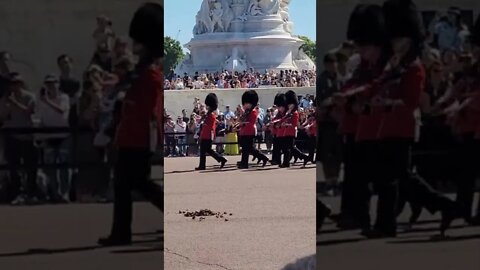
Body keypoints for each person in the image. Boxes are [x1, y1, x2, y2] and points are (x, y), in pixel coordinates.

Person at [98, 2, 164, 246]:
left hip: (138, 138)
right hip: (129, 136)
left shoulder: (150, 74)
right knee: (127, 185)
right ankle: (120, 233)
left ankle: (121, 233)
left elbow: (146, 109)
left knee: (137, 184)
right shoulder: (141, 70)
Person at [0, 72, 39, 204]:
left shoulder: (30, 97)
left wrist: (15, 102)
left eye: (17, 83)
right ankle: (16, 193)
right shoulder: (5, 99)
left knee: (30, 167)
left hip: (27, 136)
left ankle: (31, 193)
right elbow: (2, 117)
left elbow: (28, 112)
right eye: (12, 84)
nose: (15, 86)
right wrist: (7, 105)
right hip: (12, 136)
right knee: (13, 167)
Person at [37, 74, 71, 203]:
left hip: (63, 136)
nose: (50, 86)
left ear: (58, 84)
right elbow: (40, 117)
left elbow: (61, 110)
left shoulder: (64, 97)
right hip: (49, 136)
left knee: (64, 166)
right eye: (48, 83)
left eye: (53, 83)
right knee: (50, 167)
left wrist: (47, 101)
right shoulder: (41, 100)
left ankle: (65, 193)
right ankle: (55, 193)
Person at [237, 90, 269, 169]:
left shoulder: (253, 112)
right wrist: (241, 114)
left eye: (247, 103)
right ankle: (263, 158)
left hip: (250, 131)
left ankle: (245, 163)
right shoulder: (247, 112)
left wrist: (243, 123)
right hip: (245, 131)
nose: (246, 105)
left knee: (248, 148)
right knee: (248, 148)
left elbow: (251, 122)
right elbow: (242, 119)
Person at [195, 93, 227, 170]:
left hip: (208, 135)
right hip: (205, 134)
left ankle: (202, 166)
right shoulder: (208, 114)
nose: (207, 107)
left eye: (208, 106)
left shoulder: (212, 115)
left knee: (203, 151)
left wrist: (204, 118)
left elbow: (209, 126)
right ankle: (221, 159)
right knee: (208, 150)